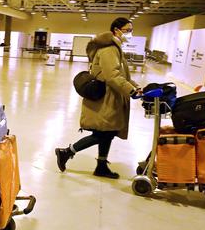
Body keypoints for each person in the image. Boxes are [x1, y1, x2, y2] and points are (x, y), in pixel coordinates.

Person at [55, 17, 142, 179]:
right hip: (106, 99)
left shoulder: (115, 47)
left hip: (111, 97)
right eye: (127, 30)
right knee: (103, 134)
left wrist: (136, 87)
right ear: (116, 30)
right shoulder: (109, 49)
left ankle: (101, 165)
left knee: (107, 132)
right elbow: (112, 76)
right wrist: (130, 91)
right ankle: (66, 152)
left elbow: (122, 75)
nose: (130, 33)